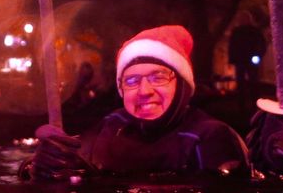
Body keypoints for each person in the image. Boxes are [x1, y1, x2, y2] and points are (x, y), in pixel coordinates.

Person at [21, 25, 249, 180]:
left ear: (182, 85)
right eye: (131, 81)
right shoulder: (111, 127)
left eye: (158, 77)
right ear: (120, 89)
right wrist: (39, 167)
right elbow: (70, 161)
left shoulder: (209, 138)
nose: (144, 91)